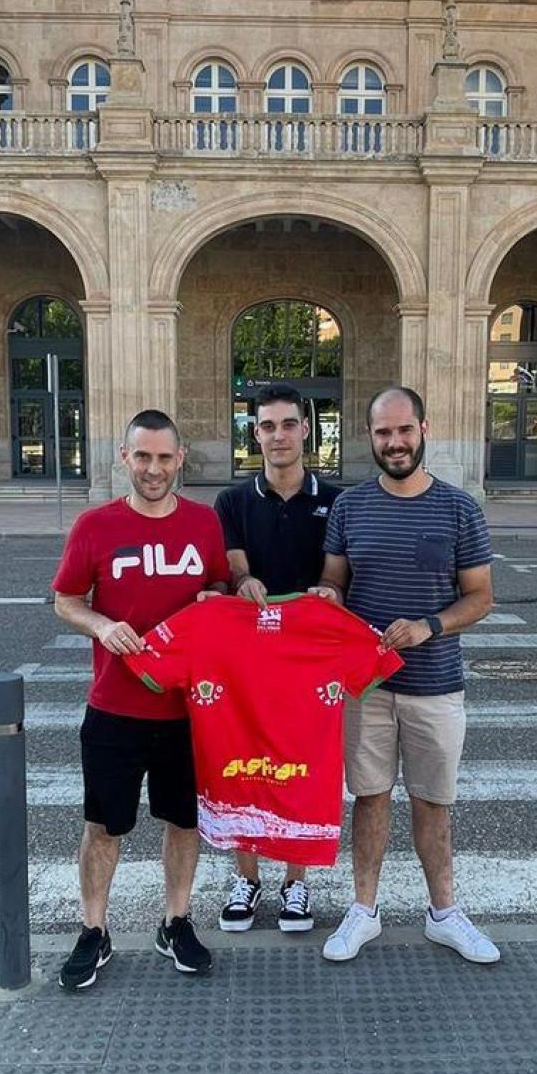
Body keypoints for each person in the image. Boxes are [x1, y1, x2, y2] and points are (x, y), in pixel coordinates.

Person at [311, 386, 499, 965]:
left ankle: (444, 913)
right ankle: (363, 911)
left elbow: (481, 598)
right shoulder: (350, 507)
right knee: (369, 799)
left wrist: (429, 626)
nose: (394, 443)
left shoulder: (460, 508)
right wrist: (326, 596)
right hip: (366, 686)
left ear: (424, 429)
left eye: (404, 431)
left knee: (432, 802)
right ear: (369, 437)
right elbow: (335, 581)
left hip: (435, 684)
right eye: (383, 433)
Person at [50, 408, 230, 988]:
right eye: (142, 456)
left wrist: (216, 597)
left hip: (187, 711)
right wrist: (101, 626)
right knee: (103, 826)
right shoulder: (95, 526)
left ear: (180, 460)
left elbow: (221, 585)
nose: (154, 469)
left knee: (183, 823)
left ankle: (175, 921)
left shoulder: (204, 524)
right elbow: (66, 600)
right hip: (114, 708)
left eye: (164, 457)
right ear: (125, 459)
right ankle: (93, 931)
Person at [212, 384, 342, 934]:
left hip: (310, 657)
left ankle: (296, 883)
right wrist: (243, 581)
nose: (278, 435)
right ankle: (247, 878)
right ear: (255, 433)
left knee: (302, 768)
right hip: (248, 656)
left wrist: (329, 592)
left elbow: (337, 572)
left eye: (288, 423)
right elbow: (235, 567)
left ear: (306, 428)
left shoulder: (337, 499)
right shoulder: (233, 501)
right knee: (241, 764)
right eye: (267, 426)